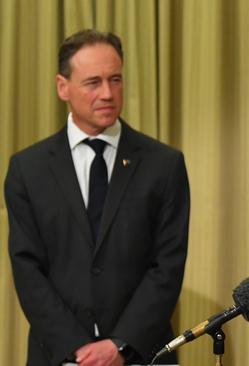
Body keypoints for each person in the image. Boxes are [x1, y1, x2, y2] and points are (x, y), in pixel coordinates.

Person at [5, 29, 190, 366]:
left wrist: (119, 345)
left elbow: (167, 267)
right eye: (93, 82)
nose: (107, 93)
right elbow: (27, 269)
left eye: (115, 79)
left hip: (141, 354)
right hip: (58, 355)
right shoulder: (26, 169)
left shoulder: (164, 165)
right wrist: (76, 348)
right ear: (63, 87)